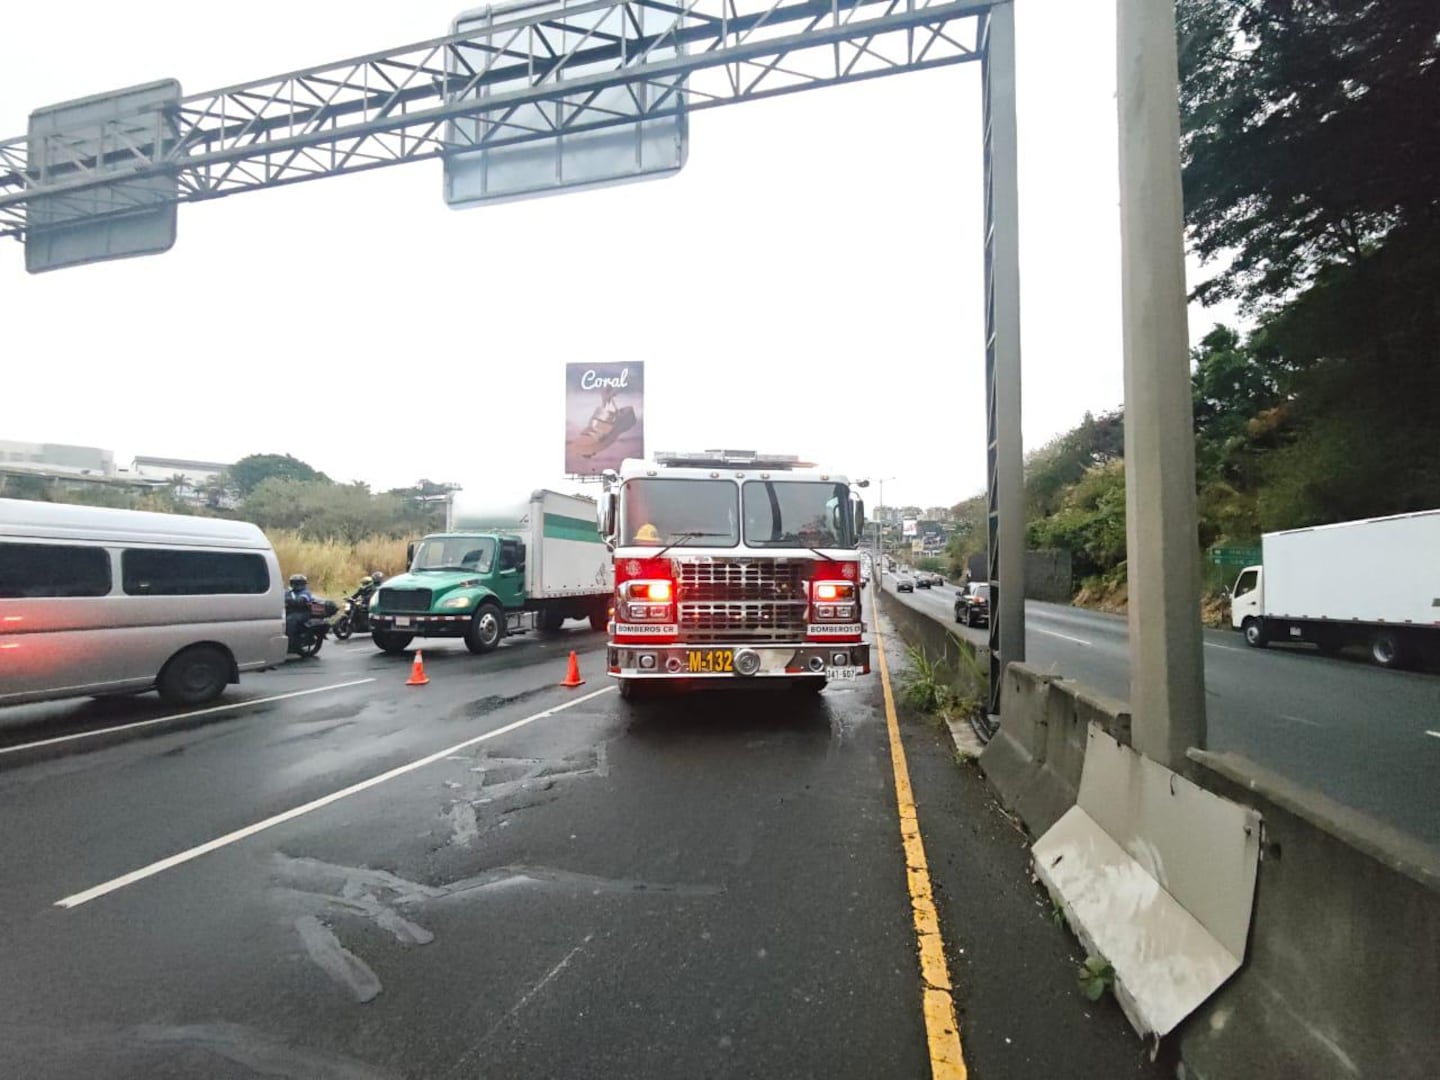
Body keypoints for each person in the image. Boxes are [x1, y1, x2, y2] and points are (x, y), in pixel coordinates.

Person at [284, 573, 316, 651]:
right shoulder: (289, 592)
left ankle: (290, 644)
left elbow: (300, 601)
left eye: (298, 582)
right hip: (290, 611)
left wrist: (289, 600)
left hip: (303, 612)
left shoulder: (305, 592)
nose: (296, 584)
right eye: (294, 582)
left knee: (290, 620)